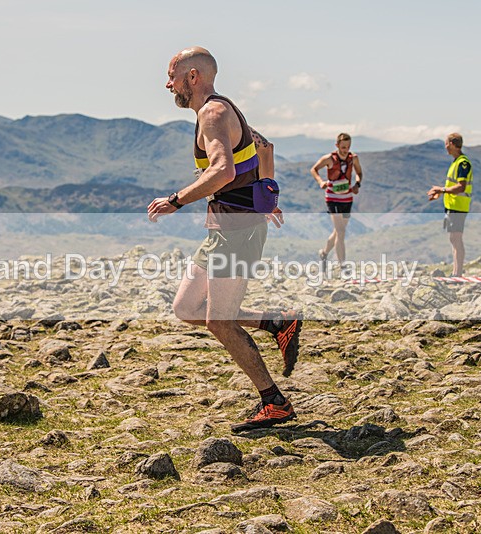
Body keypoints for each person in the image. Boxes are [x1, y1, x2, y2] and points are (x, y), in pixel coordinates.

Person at [148, 47, 300, 432]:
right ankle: (276, 323)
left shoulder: (213, 114)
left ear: (193, 77)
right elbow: (264, 147)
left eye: (172, 76)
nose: (168, 84)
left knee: (220, 322)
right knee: (185, 308)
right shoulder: (220, 109)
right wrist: (267, 194)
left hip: (235, 231)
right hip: (225, 226)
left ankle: (274, 402)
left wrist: (176, 200)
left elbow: (222, 170)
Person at [310, 133, 362, 269]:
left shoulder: (353, 158)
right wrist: (321, 182)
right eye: (343, 147)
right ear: (337, 145)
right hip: (332, 198)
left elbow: (359, 173)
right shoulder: (329, 159)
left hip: (347, 198)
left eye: (348, 147)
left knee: (339, 231)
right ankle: (343, 266)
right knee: (341, 231)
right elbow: (314, 169)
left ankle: (324, 252)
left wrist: (357, 184)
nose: (346, 149)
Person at [427, 132, 471, 277]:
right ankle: (455, 272)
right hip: (453, 205)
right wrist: (441, 193)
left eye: (446, 144)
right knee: (453, 238)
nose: (445, 147)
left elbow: (461, 186)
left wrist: (442, 189)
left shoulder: (462, 163)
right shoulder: (456, 162)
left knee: (456, 238)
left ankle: (457, 273)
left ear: (452, 144)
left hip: (458, 205)